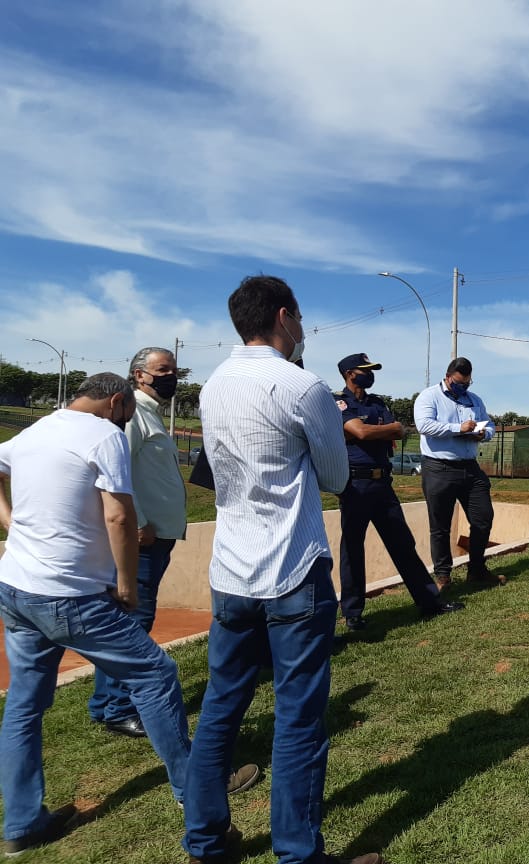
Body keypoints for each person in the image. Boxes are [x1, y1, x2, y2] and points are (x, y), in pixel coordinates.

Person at [0, 374, 257, 857]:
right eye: (126, 411)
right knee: (156, 675)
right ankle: (195, 796)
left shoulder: (35, 430)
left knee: (24, 705)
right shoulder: (104, 435)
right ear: (116, 400)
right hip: (71, 594)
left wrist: (9, 520)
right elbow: (119, 516)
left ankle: (21, 822)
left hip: (16, 588)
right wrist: (124, 584)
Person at [183, 276, 379, 864]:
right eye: (301, 320)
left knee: (222, 705)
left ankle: (205, 840)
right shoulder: (303, 386)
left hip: (231, 570)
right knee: (297, 718)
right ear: (285, 316)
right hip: (293, 567)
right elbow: (337, 476)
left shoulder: (213, 385)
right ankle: (298, 852)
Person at [88, 347, 188, 737]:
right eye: (163, 370)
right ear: (138, 375)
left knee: (125, 622)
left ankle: (106, 702)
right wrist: (140, 523)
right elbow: (117, 473)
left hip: (155, 536)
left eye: (174, 370)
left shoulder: (150, 413)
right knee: (132, 623)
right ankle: (118, 708)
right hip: (143, 538)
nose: (171, 376)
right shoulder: (132, 415)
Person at [334, 352, 463, 629]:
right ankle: (353, 614)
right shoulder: (338, 402)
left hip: (383, 484)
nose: (370, 374)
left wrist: (379, 429)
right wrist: (379, 429)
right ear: (349, 373)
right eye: (364, 370)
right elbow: (361, 432)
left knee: (403, 544)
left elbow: (399, 431)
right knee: (353, 549)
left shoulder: (377, 402)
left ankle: (430, 602)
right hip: (355, 485)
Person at [414, 357, 505, 590]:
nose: (463, 387)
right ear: (447, 377)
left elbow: (490, 425)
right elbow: (425, 425)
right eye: (458, 383)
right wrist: (458, 429)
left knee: (483, 518)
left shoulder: (474, 400)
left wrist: (482, 434)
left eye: (467, 383)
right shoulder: (429, 396)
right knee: (440, 526)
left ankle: (477, 570)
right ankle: (443, 576)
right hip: (439, 467)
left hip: (470, 467)